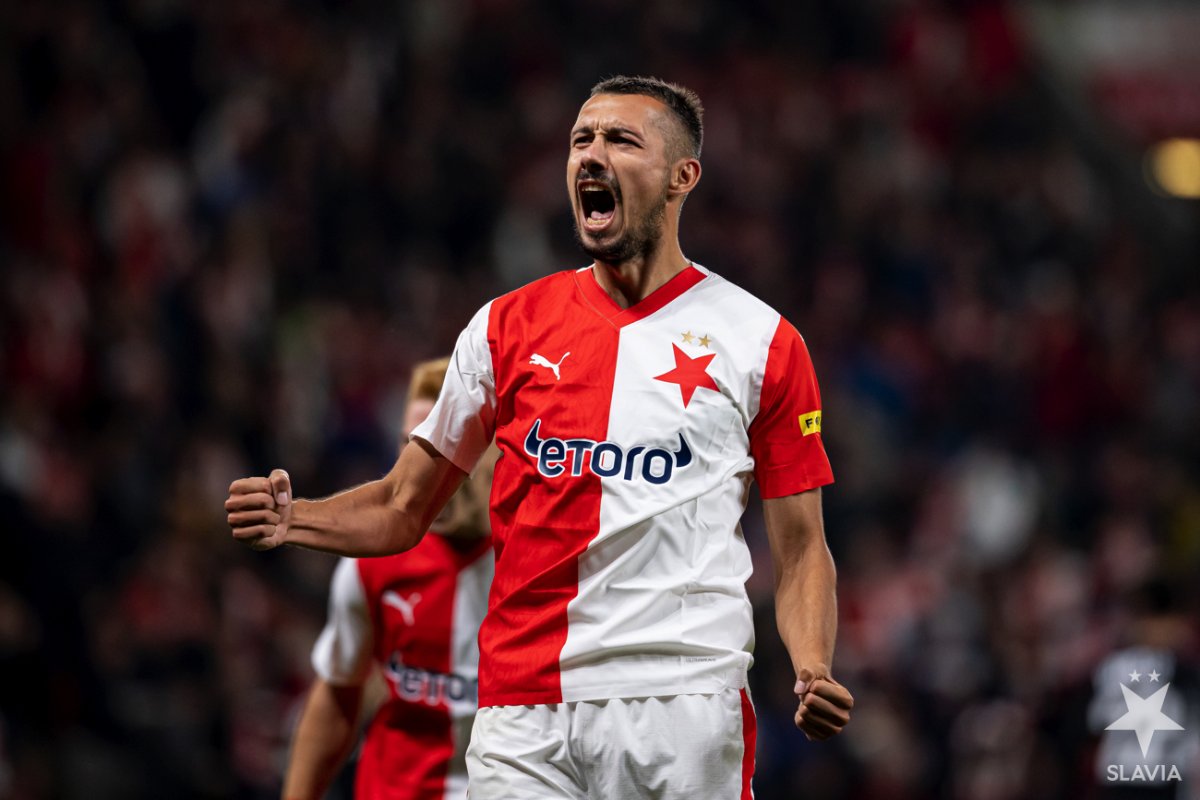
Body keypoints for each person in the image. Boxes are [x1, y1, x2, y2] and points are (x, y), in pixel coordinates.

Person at [227, 75, 854, 798]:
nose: (591, 154)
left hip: (679, 705)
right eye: (580, 139)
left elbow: (802, 545)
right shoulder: (503, 328)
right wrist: (294, 516)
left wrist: (812, 665)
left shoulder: (762, 342)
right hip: (521, 712)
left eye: (621, 140)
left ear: (684, 176)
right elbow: (403, 505)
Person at [282, 358, 496, 800]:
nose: (423, 469)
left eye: (445, 447)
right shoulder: (371, 564)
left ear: (494, 449)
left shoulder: (544, 562)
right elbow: (339, 689)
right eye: (411, 447)